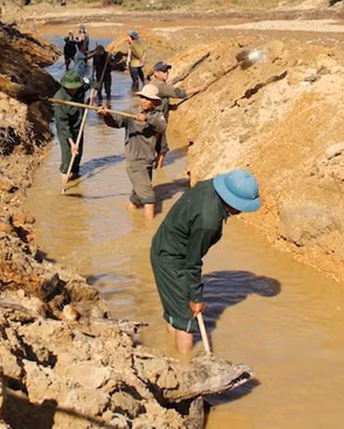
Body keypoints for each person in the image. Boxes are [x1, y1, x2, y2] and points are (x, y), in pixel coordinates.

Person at [150, 168, 261, 353]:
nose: (241, 212)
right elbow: (192, 261)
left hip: (165, 245)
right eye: (240, 208)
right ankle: (185, 367)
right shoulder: (208, 222)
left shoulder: (210, 186)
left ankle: (170, 356)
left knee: (176, 313)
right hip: (171, 258)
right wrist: (196, 297)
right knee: (188, 320)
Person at [96, 84, 166, 222]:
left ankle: (129, 219)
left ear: (154, 102)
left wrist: (146, 119)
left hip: (147, 161)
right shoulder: (131, 112)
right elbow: (116, 123)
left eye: (147, 99)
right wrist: (107, 115)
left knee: (137, 198)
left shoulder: (158, 115)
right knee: (149, 198)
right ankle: (148, 231)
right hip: (135, 162)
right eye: (142, 98)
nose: (144, 101)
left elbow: (162, 126)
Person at [148, 61, 206, 168]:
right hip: (157, 123)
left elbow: (156, 101)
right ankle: (159, 172)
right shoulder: (161, 85)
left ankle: (156, 172)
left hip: (153, 121)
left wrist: (169, 107)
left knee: (156, 149)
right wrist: (197, 89)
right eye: (163, 71)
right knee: (162, 149)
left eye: (167, 71)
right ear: (156, 73)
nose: (166, 73)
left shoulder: (153, 85)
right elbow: (179, 93)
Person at [53, 70, 89, 182]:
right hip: (65, 129)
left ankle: (75, 175)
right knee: (68, 154)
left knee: (78, 153)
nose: (73, 91)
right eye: (70, 89)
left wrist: (92, 96)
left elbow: (92, 82)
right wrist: (72, 143)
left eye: (75, 88)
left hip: (79, 124)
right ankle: (64, 181)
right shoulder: (59, 99)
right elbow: (63, 124)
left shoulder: (81, 85)